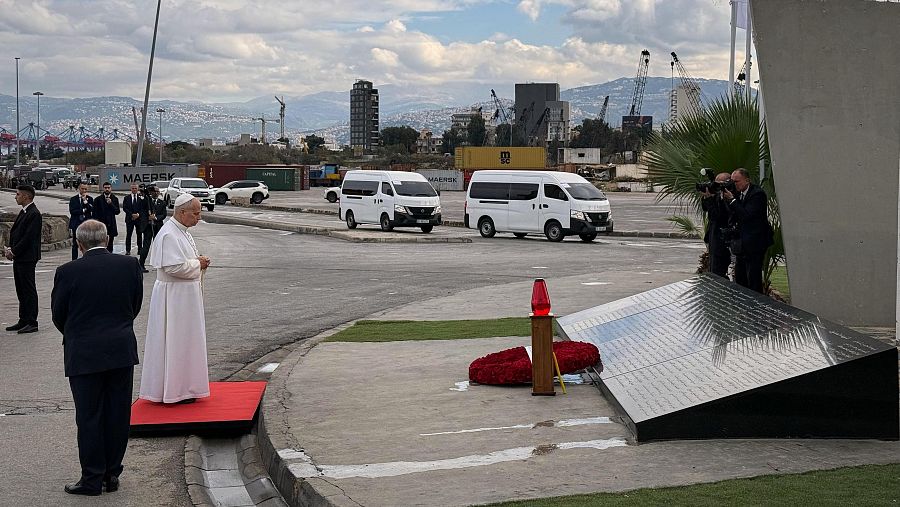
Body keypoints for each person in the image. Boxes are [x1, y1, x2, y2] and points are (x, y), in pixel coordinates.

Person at [51, 220, 142, 496]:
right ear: (107, 239)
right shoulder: (129, 266)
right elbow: (134, 306)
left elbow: (59, 314)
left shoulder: (67, 271)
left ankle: (92, 478)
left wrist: (78, 332)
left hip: (84, 352)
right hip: (120, 348)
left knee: (89, 416)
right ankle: (112, 474)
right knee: (118, 414)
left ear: (79, 244)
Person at [139, 194, 211, 404]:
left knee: (185, 342)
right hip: (174, 299)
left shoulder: (182, 231)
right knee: (175, 342)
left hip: (183, 297)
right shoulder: (169, 234)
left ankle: (185, 387)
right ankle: (175, 390)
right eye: (196, 213)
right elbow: (172, 267)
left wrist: (197, 262)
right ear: (182, 213)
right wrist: (198, 264)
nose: (198, 217)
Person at [723, 168, 773, 293]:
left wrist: (733, 200)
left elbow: (746, 215)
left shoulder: (757, 194)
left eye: (737, 181)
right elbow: (732, 214)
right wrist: (727, 199)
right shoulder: (737, 194)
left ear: (747, 180)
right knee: (740, 277)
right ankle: (743, 305)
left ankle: (756, 307)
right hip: (741, 244)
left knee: (753, 278)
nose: (734, 184)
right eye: (732, 181)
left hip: (755, 243)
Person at [5, 184, 42, 334]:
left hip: (27, 257)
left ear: (26, 196)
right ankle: (23, 319)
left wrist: (14, 251)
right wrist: (10, 248)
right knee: (20, 289)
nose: (16, 196)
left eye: (18, 194)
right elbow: (17, 233)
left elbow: (29, 237)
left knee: (28, 289)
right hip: (20, 257)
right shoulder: (24, 212)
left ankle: (32, 321)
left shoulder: (34, 213)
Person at [700, 172, 733, 278]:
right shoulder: (718, 196)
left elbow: (717, 216)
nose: (716, 187)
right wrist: (707, 197)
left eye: (719, 184)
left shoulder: (729, 198)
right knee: (713, 268)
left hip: (722, 239)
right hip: (714, 237)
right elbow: (706, 208)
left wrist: (710, 199)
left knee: (718, 271)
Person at [138, 185, 166, 273]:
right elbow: (141, 211)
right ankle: (141, 264)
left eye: (158, 191)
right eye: (155, 191)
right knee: (146, 246)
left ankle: (161, 264)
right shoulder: (145, 201)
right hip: (148, 227)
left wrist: (156, 218)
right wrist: (148, 218)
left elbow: (164, 214)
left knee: (159, 246)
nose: (156, 193)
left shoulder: (162, 203)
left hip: (158, 226)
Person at [68, 183, 94, 260]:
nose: (84, 191)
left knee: (87, 243)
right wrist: (83, 210)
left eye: (85, 189)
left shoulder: (90, 199)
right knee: (75, 243)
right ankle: (74, 260)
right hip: (76, 224)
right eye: (82, 189)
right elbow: (72, 211)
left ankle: (87, 259)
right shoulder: (73, 199)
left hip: (86, 224)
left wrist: (85, 201)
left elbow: (91, 209)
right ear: (79, 189)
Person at [93, 182, 120, 252]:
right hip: (101, 225)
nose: (107, 189)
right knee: (101, 243)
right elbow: (94, 213)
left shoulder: (114, 199)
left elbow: (117, 211)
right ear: (103, 188)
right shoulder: (97, 199)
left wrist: (111, 204)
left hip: (111, 224)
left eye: (108, 188)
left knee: (110, 243)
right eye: (105, 188)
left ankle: (109, 257)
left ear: (111, 188)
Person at [122, 183, 147, 256]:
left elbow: (143, 208)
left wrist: (138, 214)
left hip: (139, 219)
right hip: (130, 219)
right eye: (133, 188)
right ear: (131, 189)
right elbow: (125, 208)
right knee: (128, 235)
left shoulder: (141, 198)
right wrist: (131, 215)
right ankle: (128, 250)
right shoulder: (126, 198)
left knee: (139, 235)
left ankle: (140, 250)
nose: (134, 190)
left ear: (138, 189)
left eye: (135, 188)